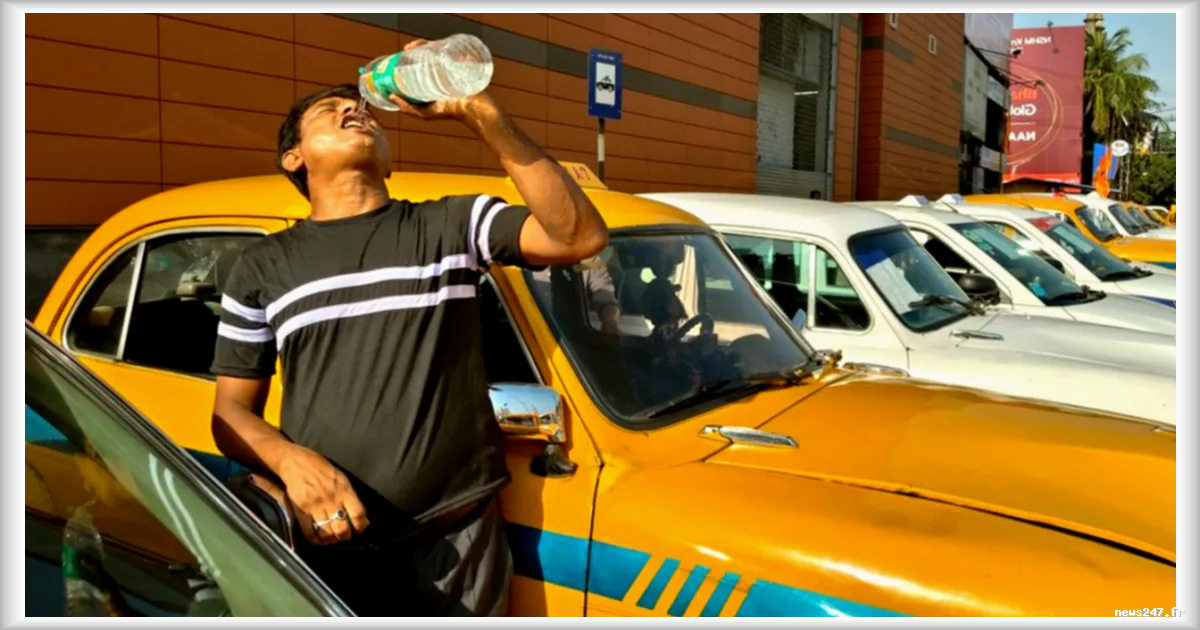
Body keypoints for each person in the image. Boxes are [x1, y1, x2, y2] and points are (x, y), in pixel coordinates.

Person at [208, 38, 608, 618]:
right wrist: (291, 462)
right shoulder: (263, 266)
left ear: (390, 161)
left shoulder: (453, 225)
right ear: (293, 158)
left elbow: (578, 237)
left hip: (459, 538)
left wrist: (481, 111)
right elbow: (230, 414)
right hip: (332, 542)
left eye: (360, 107)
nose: (355, 109)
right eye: (330, 109)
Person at [529, 256, 622, 334]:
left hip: (571, 340)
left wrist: (610, 322)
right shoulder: (526, 257)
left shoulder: (591, 261)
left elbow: (607, 300)